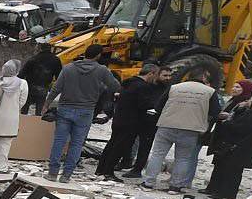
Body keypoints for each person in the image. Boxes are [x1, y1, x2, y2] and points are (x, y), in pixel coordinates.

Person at [43, 47, 120, 181]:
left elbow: (56, 88)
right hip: (86, 111)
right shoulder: (102, 70)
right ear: (98, 55)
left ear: (84, 54)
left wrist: (46, 104)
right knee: (77, 144)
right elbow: (115, 86)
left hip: (65, 109)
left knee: (59, 142)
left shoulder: (68, 68)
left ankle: (52, 173)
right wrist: (100, 88)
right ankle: (66, 175)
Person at [141, 66, 221, 193]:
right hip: (191, 129)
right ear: (203, 78)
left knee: (157, 155)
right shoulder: (210, 92)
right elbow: (215, 112)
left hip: (167, 125)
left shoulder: (174, 87)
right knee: (183, 158)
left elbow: (158, 107)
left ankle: (148, 183)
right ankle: (175, 186)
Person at [95, 65, 168, 179]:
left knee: (112, 144)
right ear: (151, 74)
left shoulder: (129, 83)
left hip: (119, 118)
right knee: (120, 147)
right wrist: (155, 105)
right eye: (155, 75)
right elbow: (143, 104)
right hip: (131, 122)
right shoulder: (143, 87)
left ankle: (101, 169)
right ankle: (109, 172)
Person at [204, 81, 252, 199]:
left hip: (240, 147)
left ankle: (225, 193)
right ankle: (216, 190)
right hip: (235, 145)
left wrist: (227, 122)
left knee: (232, 171)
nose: (248, 101)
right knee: (224, 167)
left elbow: (241, 127)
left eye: (251, 100)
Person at [20, 46, 61, 115]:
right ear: (50, 49)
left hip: (29, 87)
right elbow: (59, 77)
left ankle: (23, 120)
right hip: (43, 88)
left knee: (24, 110)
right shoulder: (56, 60)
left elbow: (22, 74)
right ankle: (38, 120)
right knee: (39, 111)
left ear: (40, 49)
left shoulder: (33, 58)